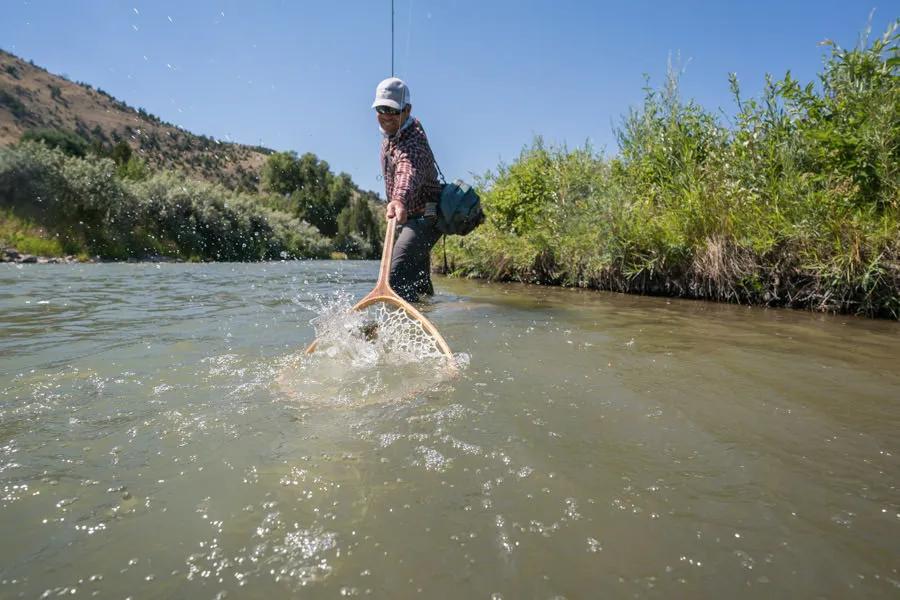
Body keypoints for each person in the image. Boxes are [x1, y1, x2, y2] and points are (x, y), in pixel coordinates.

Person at [372, 77, 443, 303]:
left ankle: (397, 330)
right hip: (411, 217)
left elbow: (407, 169)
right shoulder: (393, 135)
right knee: (418, 281)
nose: (385, 115)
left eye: (392, 110)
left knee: (396, 276)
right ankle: (430, 312)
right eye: (381, 108)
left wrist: (398, 200)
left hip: (426, 216)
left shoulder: (413, 142)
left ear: (407, 110)